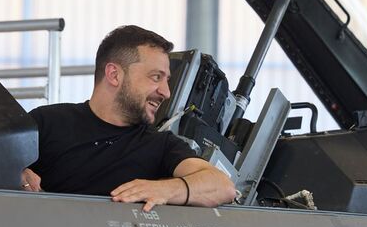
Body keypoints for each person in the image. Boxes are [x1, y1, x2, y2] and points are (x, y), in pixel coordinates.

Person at [20, 25, 236, 211]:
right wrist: (16, 174)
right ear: (114, 75)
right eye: (156, 77)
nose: (166, 92)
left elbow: (223, 186)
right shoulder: (47, 122)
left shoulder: (161, 145)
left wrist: (165, 189)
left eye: (167, 80)